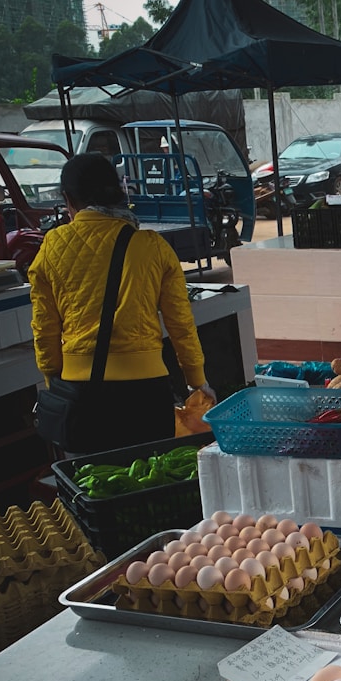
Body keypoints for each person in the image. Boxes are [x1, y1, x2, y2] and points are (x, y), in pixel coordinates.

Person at [29, 153, 216, 455]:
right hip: (145, 392)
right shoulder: (152, 245)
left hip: (81, 393)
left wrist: (53, 376)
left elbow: (44, 327)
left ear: (68, 198)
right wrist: (197, 379)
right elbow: (180, 321)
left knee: (95, 487)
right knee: (150, 485)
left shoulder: (51, 246)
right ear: (117, 193)